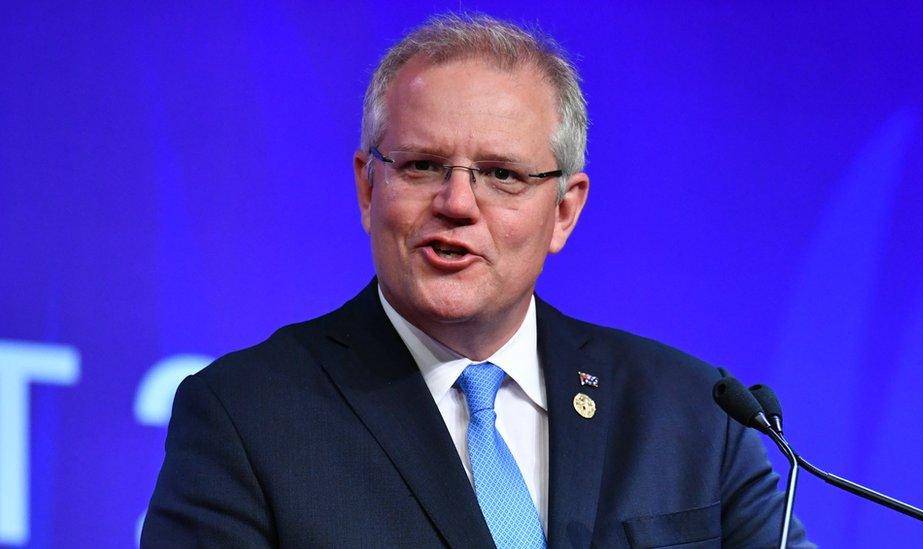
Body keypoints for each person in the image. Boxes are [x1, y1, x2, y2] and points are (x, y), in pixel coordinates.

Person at [142, 13, 812, 548]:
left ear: (565, 210)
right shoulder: (247, 418)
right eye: (424, 166)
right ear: (367, 186)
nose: (458, 203)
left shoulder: (695, 413)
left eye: (502, 174)